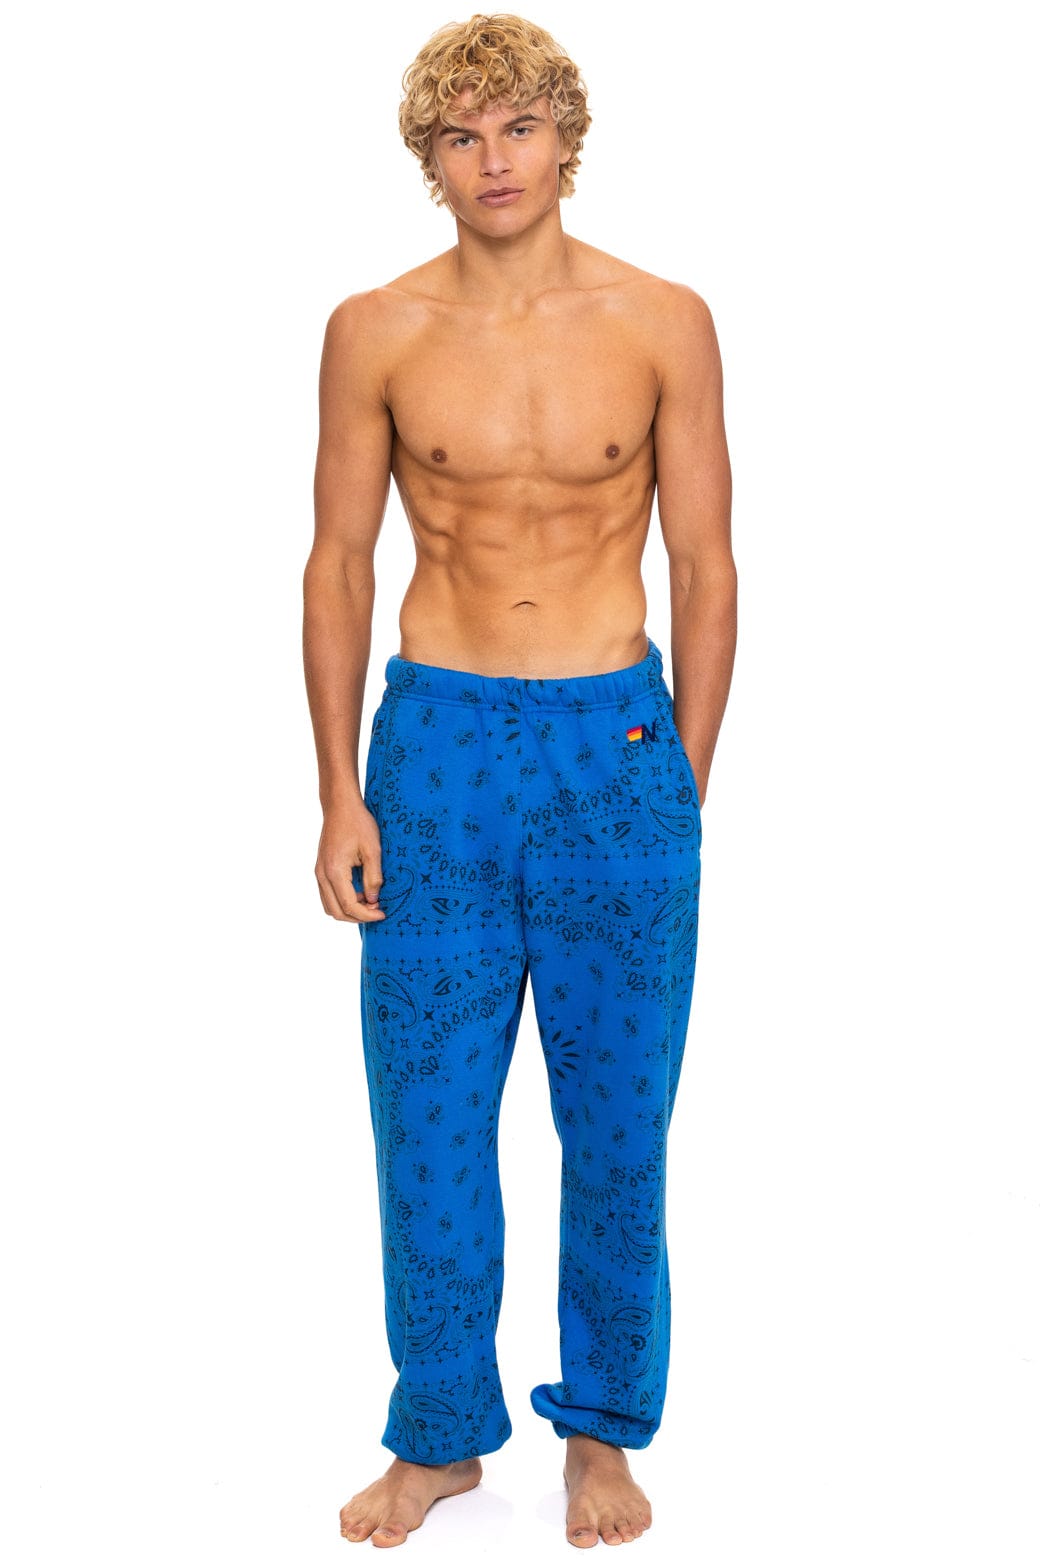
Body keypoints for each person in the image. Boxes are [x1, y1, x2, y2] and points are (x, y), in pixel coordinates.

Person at [302, 12, 737, 1549]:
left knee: (617, 1128)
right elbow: (339, 563)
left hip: (616, 741)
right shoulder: (376, 330)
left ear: (567, 139)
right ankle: (439, 1435)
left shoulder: (664, 320)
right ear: (429, 159)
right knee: (427, 1122)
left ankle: (602, 1431)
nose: (494, 160)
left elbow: (706, 561)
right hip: (438, 751)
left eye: (518, 128)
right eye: (461, 135)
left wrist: (678, 779)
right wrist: (339, 792)